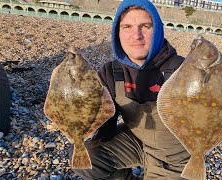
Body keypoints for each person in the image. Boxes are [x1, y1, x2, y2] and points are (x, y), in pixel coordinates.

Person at [69, 0, 190, 179]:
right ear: (117, 33)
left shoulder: (184, 69)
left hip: (174, 159)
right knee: (81, 154)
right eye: (127, 27)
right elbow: (105, 127)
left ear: (158, 30)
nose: (136, 35)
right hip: (134, 143)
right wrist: (82, 122)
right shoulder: (111, 72)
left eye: (145, 26)